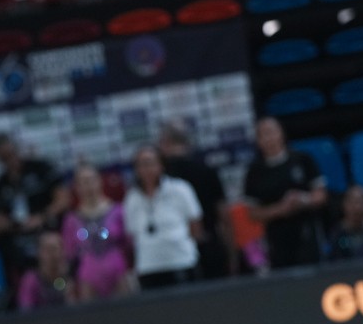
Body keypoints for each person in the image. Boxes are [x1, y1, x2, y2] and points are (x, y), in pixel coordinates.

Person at [243, 117, 328, 269]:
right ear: (258, 141)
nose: (269, 138)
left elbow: (321, 196)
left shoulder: (302, 159)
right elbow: (252, 213)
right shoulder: (254, 172)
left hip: (306, 231)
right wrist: (280, 209)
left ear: (281, 133)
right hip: (277, 238)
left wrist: (303, 200)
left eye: (271, 132)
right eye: (263, 134)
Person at [158, 120, 235, 279]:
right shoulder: (207, 170)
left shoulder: (159, 178)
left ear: (165, 143)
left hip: (173, 253)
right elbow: (224, 216)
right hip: (209, 245)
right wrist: (232, 252)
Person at [123, 145, 203, 290]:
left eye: (150, 163)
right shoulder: (132, 197)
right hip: (148, 266)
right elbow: (132, 233)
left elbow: (195, 224)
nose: (146, 169)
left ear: (161, 165)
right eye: (141, 164)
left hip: (180, 260)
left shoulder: (179, 189)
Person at [0, 133, 67, 279]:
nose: (9, 160)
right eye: (3, 158)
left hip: (47, 226)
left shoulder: (41, 168)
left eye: (10, 154)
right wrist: (14, 225)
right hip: (18, 233)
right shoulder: (0, 184)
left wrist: (41, 217)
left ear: (16, 149)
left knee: (48, 243)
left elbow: (63, 200)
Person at [60, 164, 131, 301]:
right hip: (88, 276)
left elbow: (129, 244)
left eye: (91, 180)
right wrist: (68, 282)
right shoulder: (71, 220)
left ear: (99, 181)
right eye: (83, 182)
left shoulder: (118, 211)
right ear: (76, 187)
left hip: (117, 271)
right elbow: (68, 255)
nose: (88, 186)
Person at [16, 230, 74, 311]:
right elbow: (25, 311)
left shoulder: (68, 278)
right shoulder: (31, 280)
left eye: (57, 249)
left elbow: (75, 311)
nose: (54, 255)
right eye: (49, 250)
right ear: (39, 253)